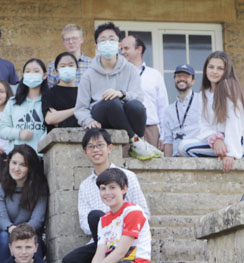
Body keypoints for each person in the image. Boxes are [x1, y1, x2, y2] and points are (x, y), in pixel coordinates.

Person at [61, 128, 149, 263]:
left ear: (110, 148)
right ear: (85, 152)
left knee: (97, 216)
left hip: (126, 238)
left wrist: (116, 222)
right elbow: (85, 223)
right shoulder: (85, 185)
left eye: (100, 145)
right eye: (91, 147)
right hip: (100, 240)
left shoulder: (128, 176)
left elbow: (143, 212)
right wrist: (106, 224)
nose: (96, 150)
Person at [74, 22, 162, 160]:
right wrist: (88, 120)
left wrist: (121, 93)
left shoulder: (131, 69)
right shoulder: (88, 75)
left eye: (111, 39)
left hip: (123, 115)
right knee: (111, 101)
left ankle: (137, 142)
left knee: (136, 106)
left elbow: (139, 97)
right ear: (96, 46)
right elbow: (80, 108)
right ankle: (137, 141)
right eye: (103, 40)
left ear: (119, 44)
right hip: (101, 114)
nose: (107, 43)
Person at [179, 51, 244, 172]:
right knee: (183, 146)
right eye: (211, 67)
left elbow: (234, 121)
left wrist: (230, 153)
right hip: (217, 140)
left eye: (220, 68)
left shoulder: (229, 87)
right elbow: (203, 125)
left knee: (185, 148)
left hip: (235, 141)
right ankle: (219, 152)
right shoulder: (203, 94)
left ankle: (229, 152)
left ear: (226, 71)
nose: (214, 71)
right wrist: (215, 139)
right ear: (205, 69)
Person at [0, 145, 48, 263]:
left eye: (22, 165)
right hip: (7, 233)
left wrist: (24, 233)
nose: (16, 168)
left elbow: (37, 220)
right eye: (14, 163)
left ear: (30, 168)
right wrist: (14, 231)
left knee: (32, 242)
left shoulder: (40, 189)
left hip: (31, 233)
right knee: (4, 238)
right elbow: (2, 219)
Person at [120, 35, 169, 149]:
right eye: (121, 49)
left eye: (126, 48)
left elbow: (163, 108)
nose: (122, 52)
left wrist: (164, 135)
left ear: (139, 49)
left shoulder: (154, 75)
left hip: (150, 130)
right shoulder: (118, 74)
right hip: (125, 130)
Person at [0, 58, 48, 154]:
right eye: (28, 71)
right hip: (16, 156)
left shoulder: (49, 101)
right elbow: (2, 130)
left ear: (44, 75)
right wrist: (19, 133)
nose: (31, 74)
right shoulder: (13, 102)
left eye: (36, 71)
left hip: (41, 156)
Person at [161, 65, 202, 157]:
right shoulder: (169, 110)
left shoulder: (202, 101)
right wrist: (167, 162)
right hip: (176, 159)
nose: (182, 79)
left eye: (186, 76)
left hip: (196, 158)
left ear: (193, 81)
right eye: (179, 76)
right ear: (174, 79)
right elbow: (168, 141)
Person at [43, 52, 80, 128]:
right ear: (56, 71)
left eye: (71, 65)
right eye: (63, 66)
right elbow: (49, 119)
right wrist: (78, 109)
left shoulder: (83, 92)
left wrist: (60, 120)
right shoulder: (49, 93)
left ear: (77, 69)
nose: (67, 68)